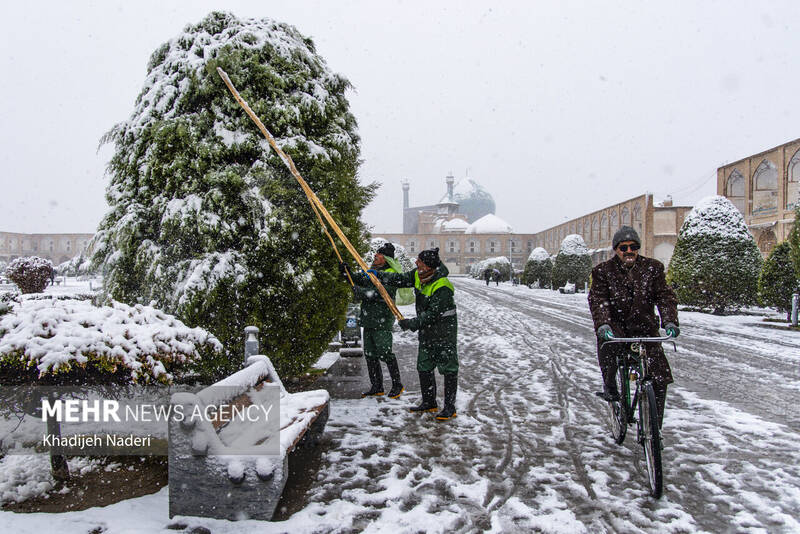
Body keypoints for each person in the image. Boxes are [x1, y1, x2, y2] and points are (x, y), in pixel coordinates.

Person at [588, 226, 679, 429]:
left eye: (634, 247)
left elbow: (664, 296)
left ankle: (654, 427)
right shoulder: (603, 272)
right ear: (616, 249)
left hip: (645, 329)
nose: (629, 251)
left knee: (659, 377)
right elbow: (598, 300)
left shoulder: (652, 268)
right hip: (617, 328)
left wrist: (670, 320)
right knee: (608, 347)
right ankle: (611, 387)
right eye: (624, 247)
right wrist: (603, 323)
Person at [364, 247, 459, 421]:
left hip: (444, 333)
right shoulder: (418, 274)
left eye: (420, 261)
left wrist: (411, 323)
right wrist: (379, 275)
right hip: (427, 332)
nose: (416, 262)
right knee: (424, 366)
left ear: (428, 266)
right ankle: (429, 402)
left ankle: (450, 407)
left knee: (448, 369)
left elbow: (433, 314)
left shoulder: (442, 285)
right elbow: (400, 279)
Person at [341, 242, 404, 399]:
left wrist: (362, 292)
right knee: (370, 354)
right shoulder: (372, 271)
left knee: (385, 352)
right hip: (369, 319)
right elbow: (359, 279)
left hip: (382, 321)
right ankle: (377, 386)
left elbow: (381, 294)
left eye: (379, 254)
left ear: (387, 258)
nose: (376, 256)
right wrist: (347, 272)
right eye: (376, 253)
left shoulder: (391, 273)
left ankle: (397, 384)